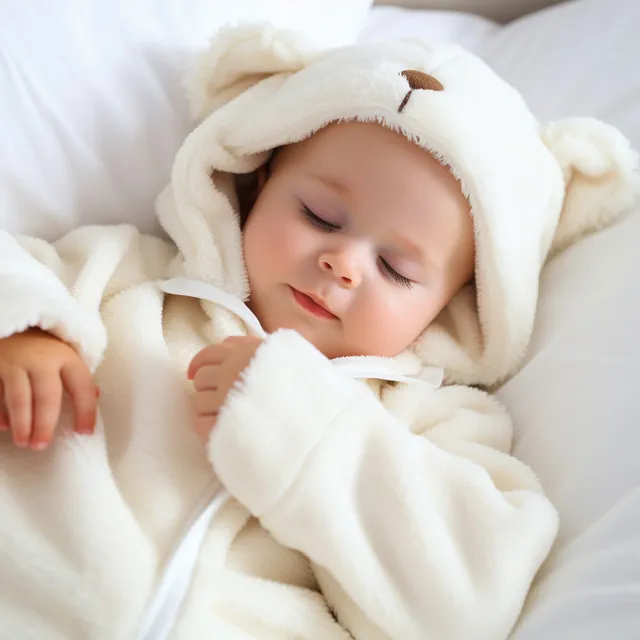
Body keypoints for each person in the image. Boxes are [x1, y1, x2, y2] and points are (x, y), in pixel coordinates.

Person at [0, 24, 637, 640]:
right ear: (259, 180)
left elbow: (469, 605)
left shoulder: (432, 426)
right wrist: (25, 330)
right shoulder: (126, 278)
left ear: (453, 306)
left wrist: (310, 431)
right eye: (319, 215)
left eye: (396, 268)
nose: (345, 263)